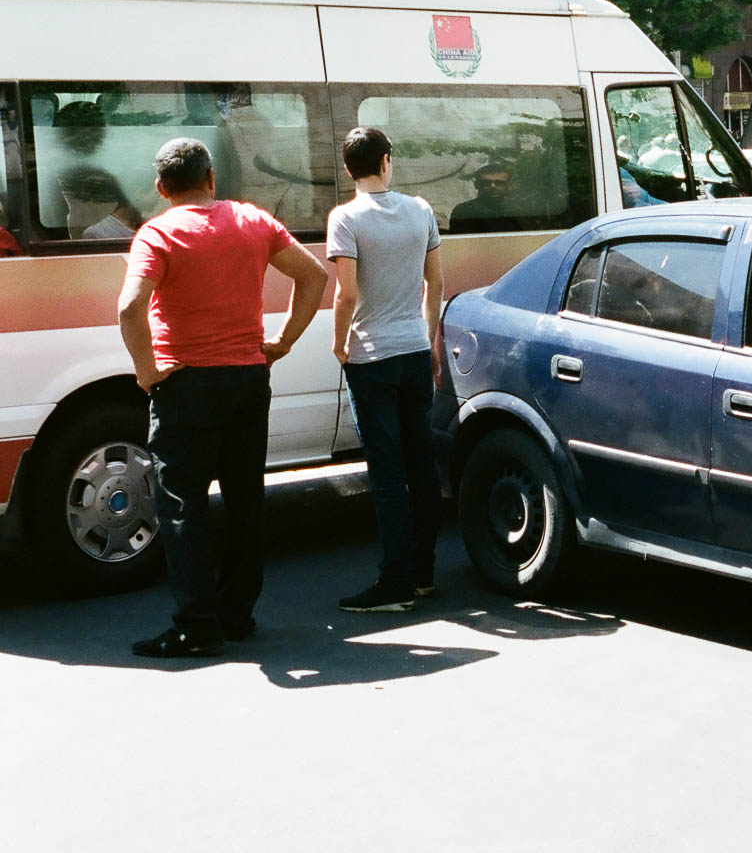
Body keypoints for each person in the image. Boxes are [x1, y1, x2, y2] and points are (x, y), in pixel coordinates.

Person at [117, 137, 327, 659]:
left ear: (162, 188)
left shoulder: (157, 233)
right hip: (247, 381)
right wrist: (282, 341)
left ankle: (196, 626)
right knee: (244, 501)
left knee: (182, 505)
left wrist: (147, 373)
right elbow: (314, 275)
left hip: (185, 384)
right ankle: (237, 615)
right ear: (211, 178)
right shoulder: (252, 220)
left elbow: (129, 309)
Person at [327, 125, 444, 613]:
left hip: (372, 357)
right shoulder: (421, 210)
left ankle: (393, 584)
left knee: (387, 473)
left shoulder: (345, 218)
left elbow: (346, 293)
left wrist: (339, 343)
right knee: (422, 466)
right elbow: (434, 284)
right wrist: (430, 339)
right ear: (386, 161)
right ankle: (422, 574)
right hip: (415, 351)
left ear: (349, 169)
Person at [449, 156, 521, 233]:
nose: (492, 186)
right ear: (476, 184)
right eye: (486, 183)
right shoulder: (465, 211)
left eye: (499, 183)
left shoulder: (517, 211)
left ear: (509, 186)